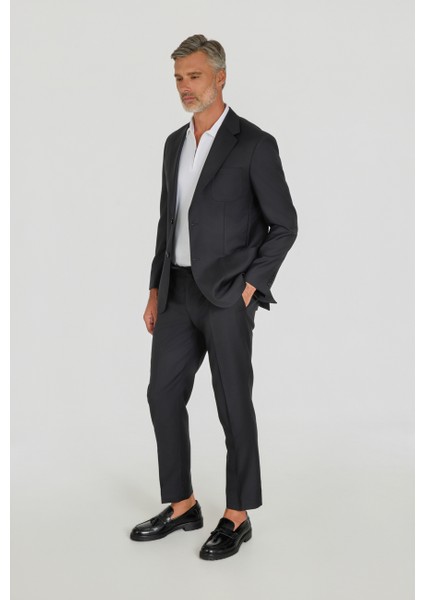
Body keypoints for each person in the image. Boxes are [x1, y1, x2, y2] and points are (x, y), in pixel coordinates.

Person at [130, 34, 298, 560]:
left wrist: (250, 287)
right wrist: (154, 287)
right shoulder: (173, 144)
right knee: (162, 395)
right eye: (179, 78)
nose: (185, 86)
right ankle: (182, 504)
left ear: (221, 77)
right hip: (176, 293)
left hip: (227, 297)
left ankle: (238, 514)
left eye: (194, 76)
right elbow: (168, 221)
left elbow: (284, 225)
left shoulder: (254, 144)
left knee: (232, 403)